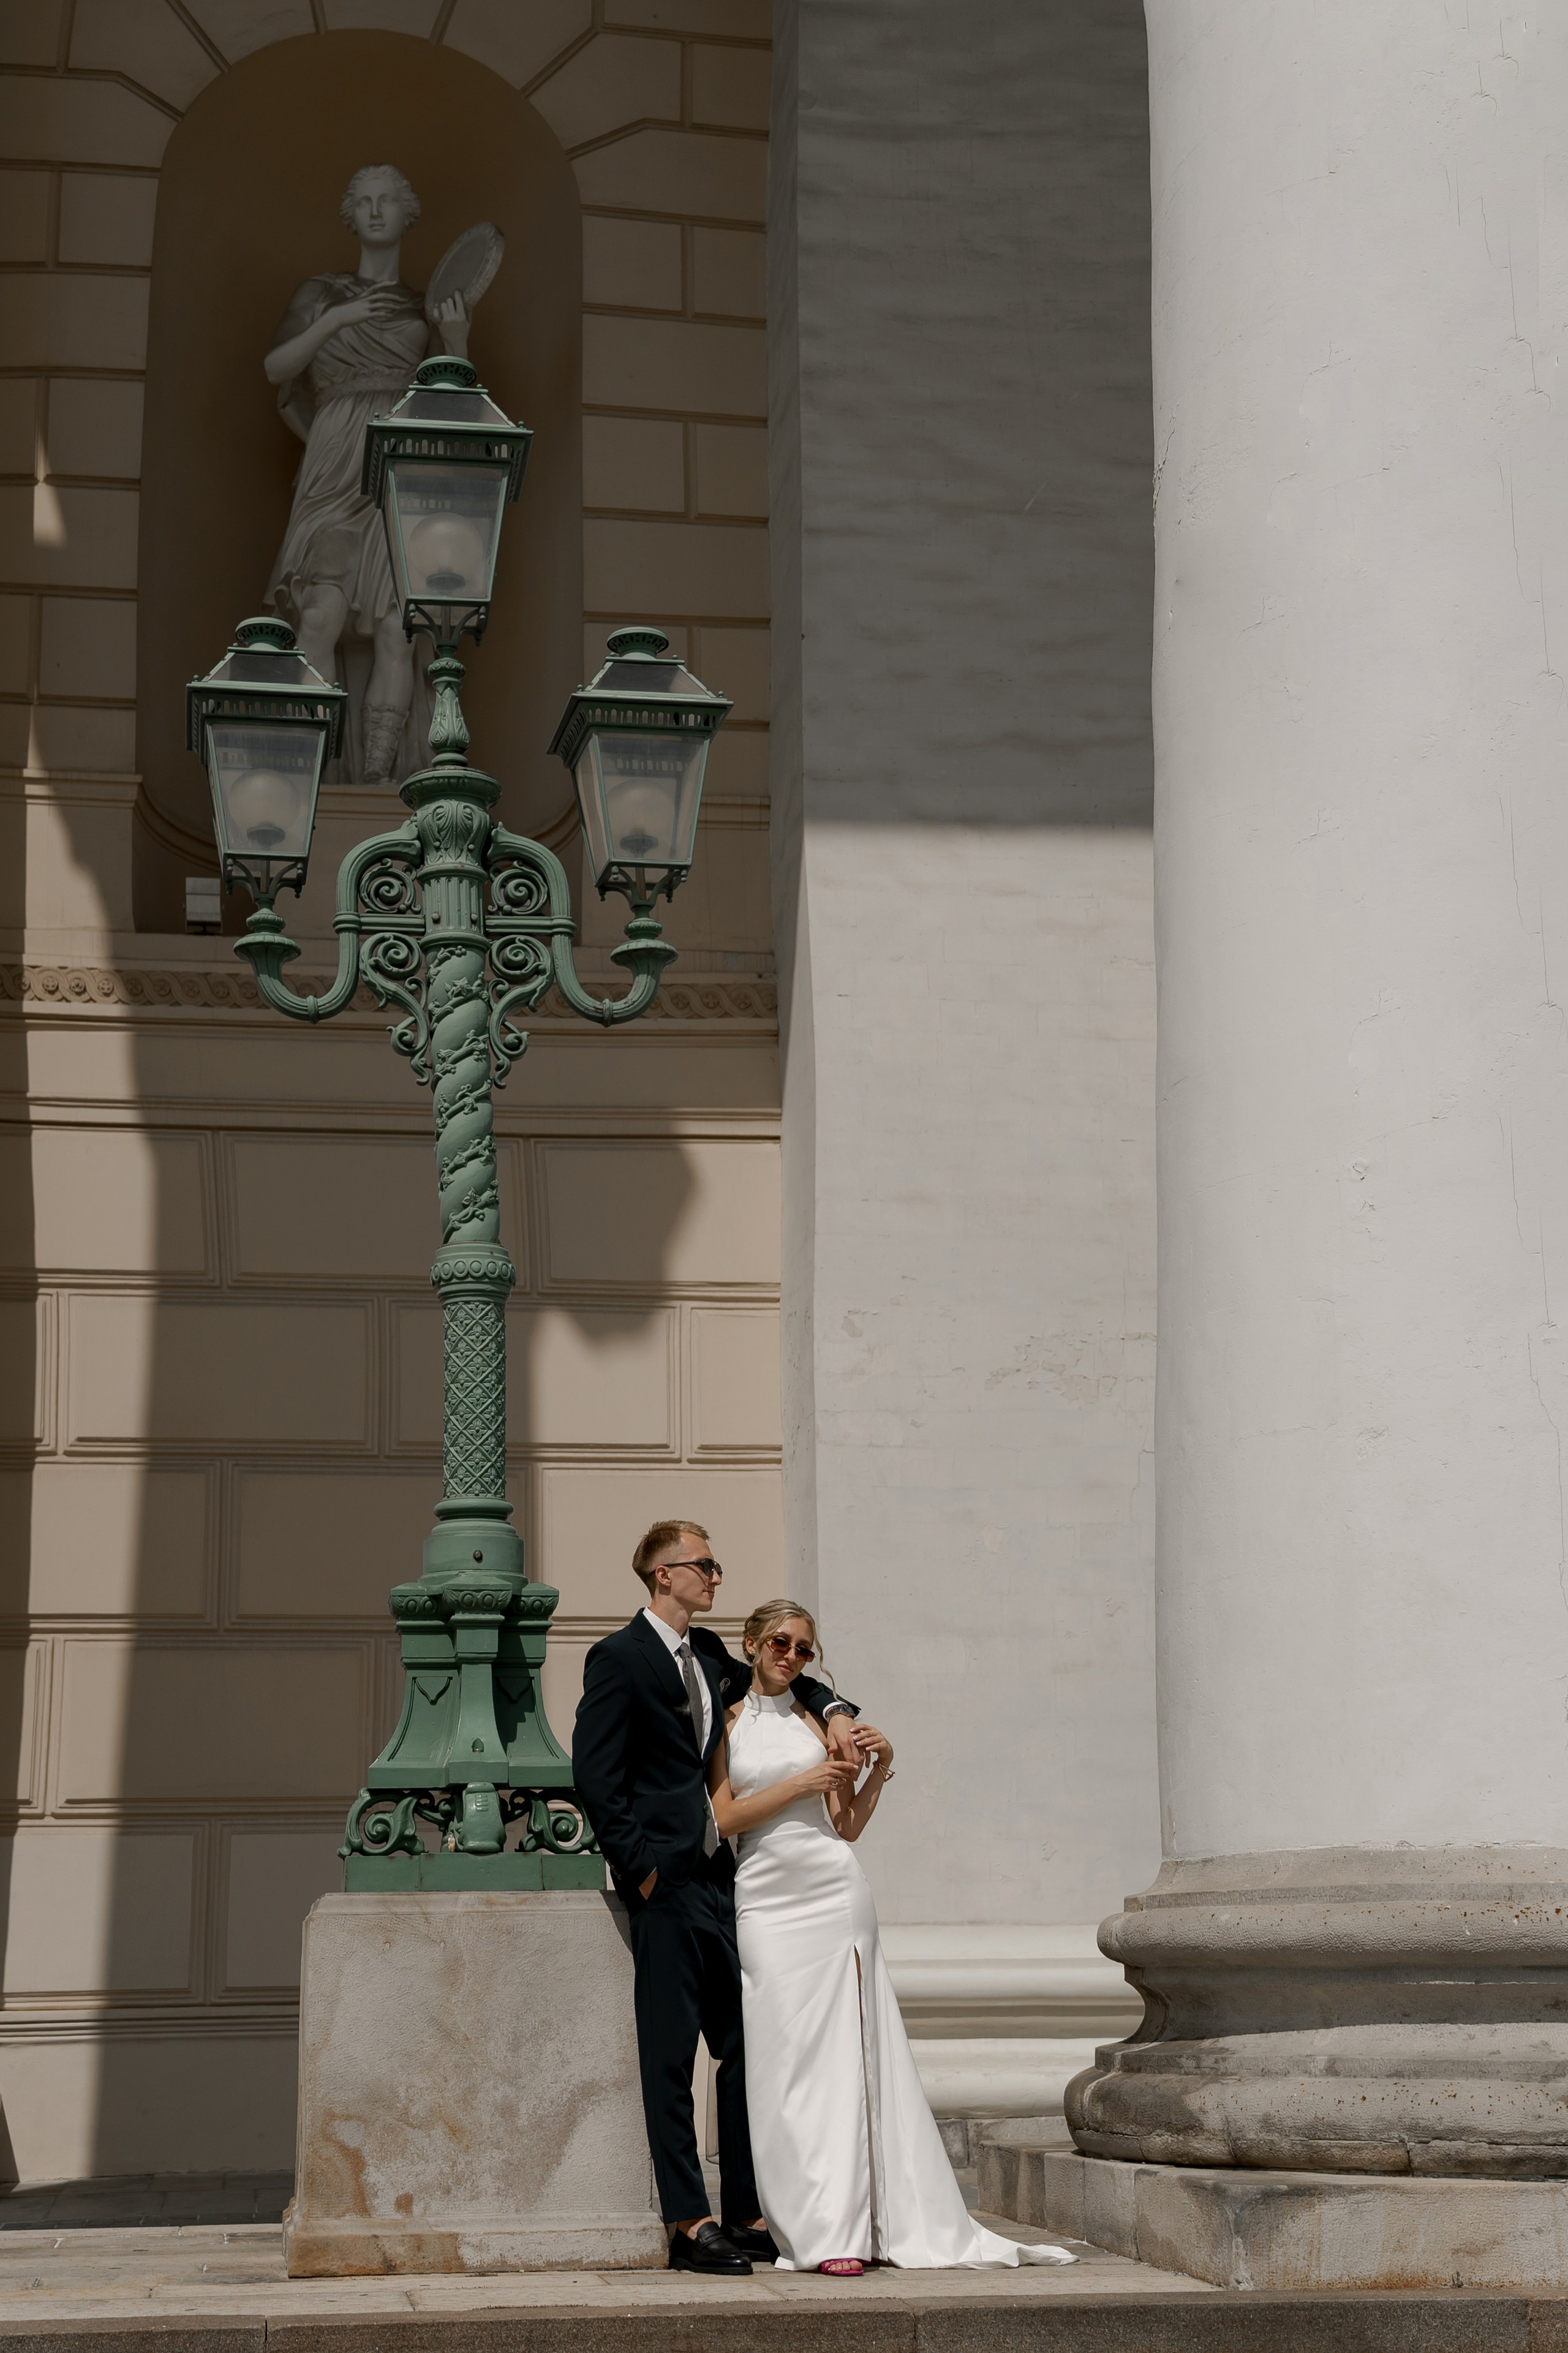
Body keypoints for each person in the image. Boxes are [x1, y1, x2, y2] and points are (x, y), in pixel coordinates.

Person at [710, 1599, 1077, 2275]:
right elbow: (725, 1817)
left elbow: (844, 1825)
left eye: (804, 1649)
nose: (792, 1657)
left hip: (834, 1891)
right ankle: (807, 2221)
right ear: (752, 1644)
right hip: (764, 1897)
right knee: (782, 2060)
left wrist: (879, 1767)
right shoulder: (726, 1722)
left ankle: (851, 2228)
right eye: (781, 1644)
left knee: (851, 2057)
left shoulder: (818, 1720)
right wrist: (802, 1781)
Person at [572, 1520, 863, 2276]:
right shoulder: (619, 1658)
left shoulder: (708, 1656)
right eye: (705, 1565)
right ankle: (686, 2219)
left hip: (721, 1882)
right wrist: (641, 1871)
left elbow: (783, 1679)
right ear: (662, 1573)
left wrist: (834, 1707)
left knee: (743, 2047)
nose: (716, 1577)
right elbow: (597, 1777)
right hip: (664, 1884)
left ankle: (743, 2209)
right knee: (670, 2058)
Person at [263, 164, 470, 784]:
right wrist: (336, 322)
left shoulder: (425, 306)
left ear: (409, 214)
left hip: (400, 462)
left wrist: (456, 340)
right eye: (365, 202)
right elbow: (277, 367)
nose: (376, 212)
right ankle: (319, 773)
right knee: (319, 612)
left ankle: (378, 779)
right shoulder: (320, 292)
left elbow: (452, 403)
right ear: (349, 215)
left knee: (397, 626)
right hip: (333, 456)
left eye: (388, 201)